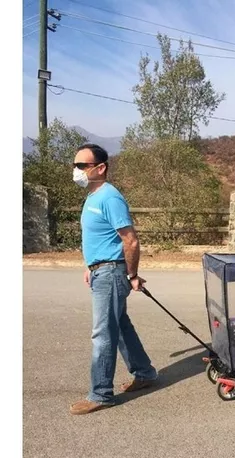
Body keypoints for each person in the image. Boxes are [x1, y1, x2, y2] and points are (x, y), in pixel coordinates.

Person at [69, 143, 158, 416]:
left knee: (103, 334)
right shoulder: (93, 197)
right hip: (100, 270)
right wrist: (89, 265)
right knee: (120, 327)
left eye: (82, 166)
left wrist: (131, 274)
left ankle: (101, 394)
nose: (77, 171)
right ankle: (144, 373)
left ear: (100, 168)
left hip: (111, 272)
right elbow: (99, 238)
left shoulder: (110, 198)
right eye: (75, 166)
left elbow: (130, 240)